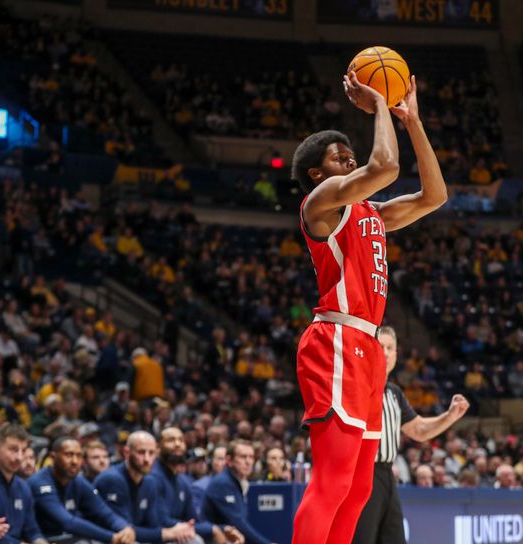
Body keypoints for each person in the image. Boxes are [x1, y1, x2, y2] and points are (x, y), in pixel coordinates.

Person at [291, 68, 447, 544]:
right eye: (341, 158)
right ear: (319, 173)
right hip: (335, 338)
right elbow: (384, 167)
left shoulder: (372, 214)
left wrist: (413, 122)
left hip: (367, 351)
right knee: (334, 480)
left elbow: (435, 196)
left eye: (351, 155)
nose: (351, 161)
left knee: (358, 489)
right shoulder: (320, 203)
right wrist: (381, 104)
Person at [353, 326, 469, 544]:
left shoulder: (394, 393)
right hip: (361, 473)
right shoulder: (357, 386)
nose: (385, 353)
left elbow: (418, 430)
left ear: (396, 355)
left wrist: (450, 416)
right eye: (380, 346)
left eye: (391, 348)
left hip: (387, 475)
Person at [29, 436, 135, 543]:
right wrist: (112, 537)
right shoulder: (40, 483)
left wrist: (125, 527)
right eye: (69, 455)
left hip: (71, 539)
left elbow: (105, 512)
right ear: (53, 457)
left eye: (78, 456)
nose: (75, 461)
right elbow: (67, 522)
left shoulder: (78, 481)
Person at [94, 431, 195, 543]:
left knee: (192, 540)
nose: (147, 459)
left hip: (139, 538)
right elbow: (124, 532)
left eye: (151, 453)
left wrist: (180, 529)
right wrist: (169, 533)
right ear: (126, 452)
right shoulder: (112, 479)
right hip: (106, 540)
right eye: (141, 452)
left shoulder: (150, 482)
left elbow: (153, 525)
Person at [151, 427, 244, 544]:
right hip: (154, 536)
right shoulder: (152, 477)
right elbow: (160, 520)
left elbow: (194, 520)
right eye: (171, 440)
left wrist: (222, 529)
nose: (177, 444)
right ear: (157, 446)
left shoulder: (182, 482)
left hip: (179, 533)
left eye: (181, 440)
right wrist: (212, 530)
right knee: (195, 541)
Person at [0, 423, 43, 544]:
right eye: (13, 450)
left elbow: (32, 530)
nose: (19, 457)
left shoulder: (23, 486)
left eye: (23, 450)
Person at [201, 440, 272, 544]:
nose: (248, 462)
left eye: (251, 457)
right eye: (243, 457)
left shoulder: (238, 482)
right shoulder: (222, 483)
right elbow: (237, 523)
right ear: (229, 460)